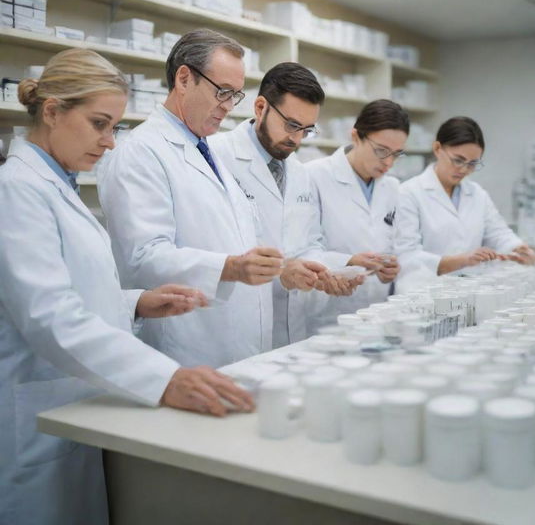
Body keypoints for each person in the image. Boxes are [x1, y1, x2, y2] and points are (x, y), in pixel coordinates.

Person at [0, 49, 254, 525]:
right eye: (100, 124)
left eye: (114, 126)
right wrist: (166, 378)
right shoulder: (17, 191)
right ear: (52, 111)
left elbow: (58, 288)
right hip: (34, 412)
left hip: (72, 401)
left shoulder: (56, 184)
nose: (110, 142)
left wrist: (136, 301)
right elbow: (48, 315)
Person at [98, 29, 283, 368]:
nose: (228, 106)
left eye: (235, 95)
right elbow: (142, 256)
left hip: (234, 343)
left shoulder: (206, 150)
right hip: (185, 348)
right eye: (223, 92)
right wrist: (230, 267)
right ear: (184, 78)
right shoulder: (140, 152)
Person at [212, 62, 365, 347]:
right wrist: (281, 273)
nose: (296, 139)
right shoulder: (216, 157)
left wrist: (328, 272)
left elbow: (306, 244)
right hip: (234, 329)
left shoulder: (298, 172)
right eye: (292, 125)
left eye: (307, 129)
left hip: (291, 329)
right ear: (260, 108)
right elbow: (213, 253)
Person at [396, 116, 535, 277]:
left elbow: (498, 233)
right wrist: (462, 261)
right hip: (424, 291)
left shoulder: (477, 194)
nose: (464, 169)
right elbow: (408, 255)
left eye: (472, 164)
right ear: (437, 149)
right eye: (458, 160)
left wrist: (519, 248)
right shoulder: (409, 193)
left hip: (468, 290)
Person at [305, 99, 407, 326]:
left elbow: (397, 246)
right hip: (326, 315)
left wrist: (390, 269)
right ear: (356, 136)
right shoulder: (314, 176)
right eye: (381, 151)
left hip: (377, 314)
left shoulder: (392, 187)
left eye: (397, 154)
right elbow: (302, 249)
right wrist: (348, 261)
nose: (389, 162)